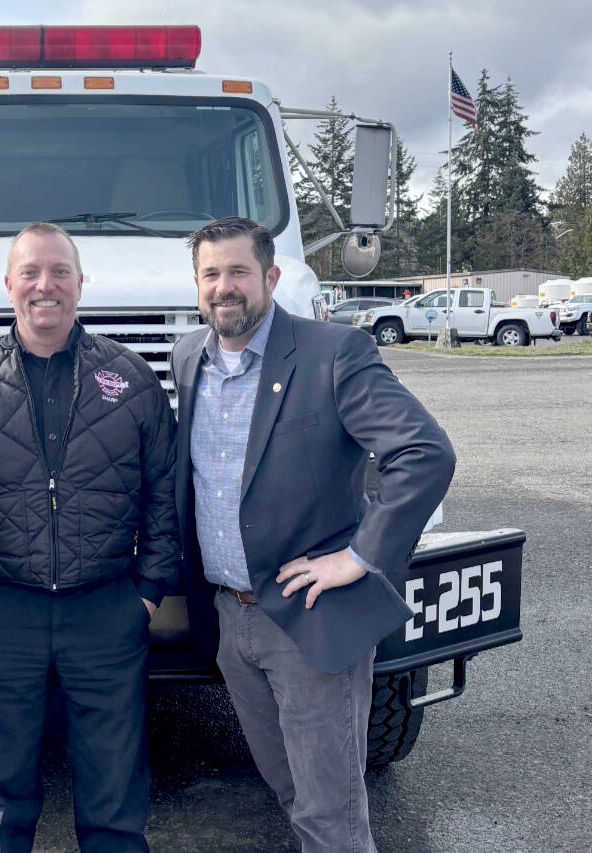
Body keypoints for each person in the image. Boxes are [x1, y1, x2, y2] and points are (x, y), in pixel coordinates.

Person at [170, 218, 455, 852]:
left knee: (332, 813)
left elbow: (424, 453)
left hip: (308, 617)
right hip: (229, 617)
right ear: (196, 286)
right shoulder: (188, 357)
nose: (225, 288)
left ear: (270, 277)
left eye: (239, 272)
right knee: (291, 791)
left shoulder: (333, 354)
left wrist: (360, 557)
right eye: (211, 275)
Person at [0, 222, 180, 853]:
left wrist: (147, 588)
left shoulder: (130, 380)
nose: (45, 286)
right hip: (1, 610)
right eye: (30, 272)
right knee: (2, 801)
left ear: (81, 284)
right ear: (9, 286)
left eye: (59, 272)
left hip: (107, 610)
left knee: (115, 800)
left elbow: (165, 491)